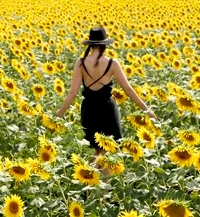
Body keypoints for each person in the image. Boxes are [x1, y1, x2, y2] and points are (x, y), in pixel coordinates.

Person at [56, 26, 157, 169]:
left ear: (90, 44)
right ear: (104, 45)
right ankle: (103, 186)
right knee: (109, 149)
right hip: (107, 108)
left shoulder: (81, 63)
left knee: (98, 149)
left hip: (90, 109)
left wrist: (60, 113)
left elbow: (72, 92)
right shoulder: (112, 63)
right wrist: (147, 110)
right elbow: (127, 89)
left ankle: (93, 181)